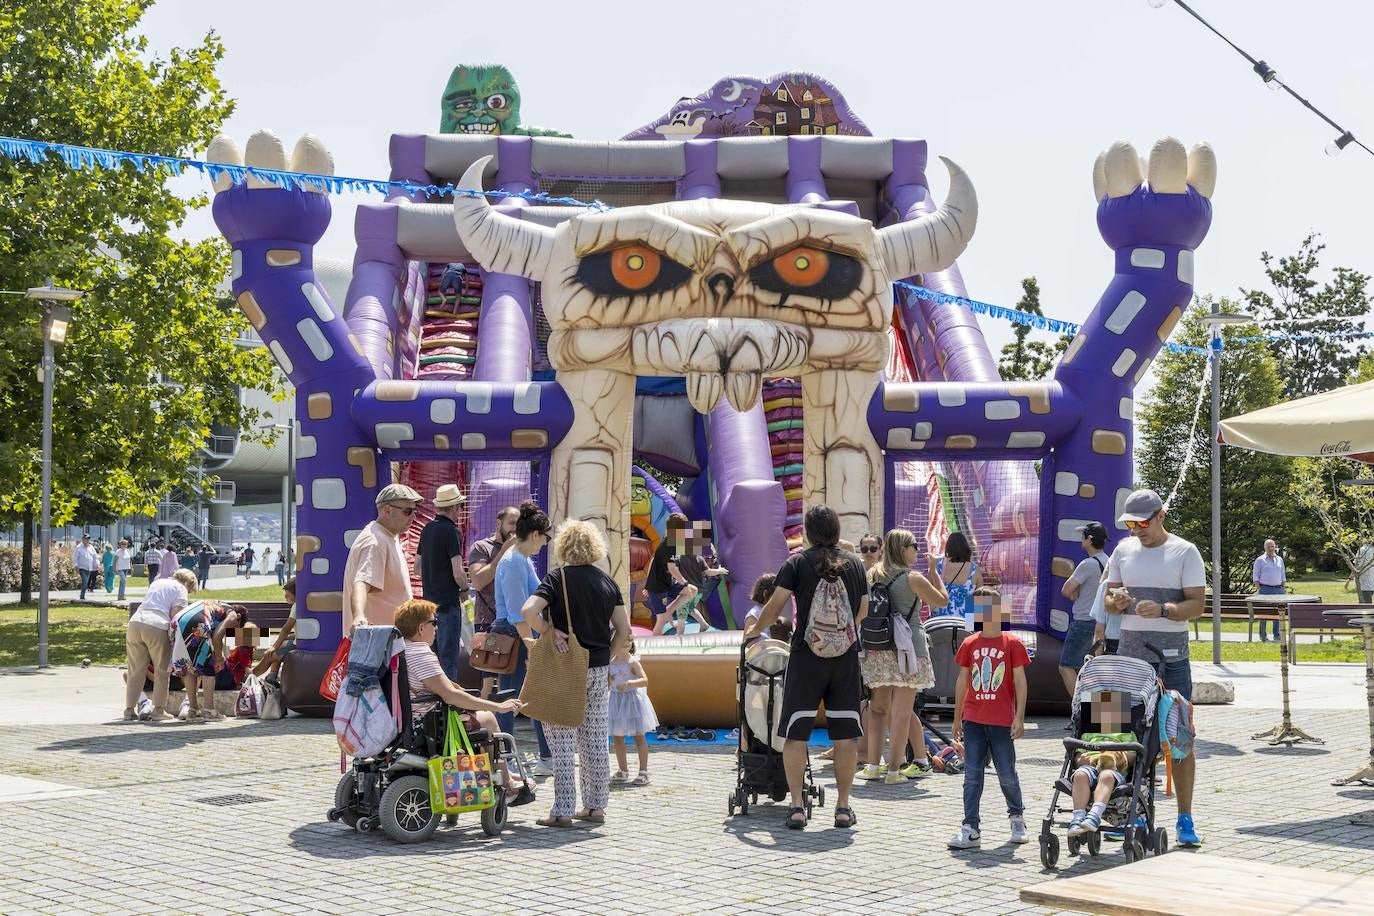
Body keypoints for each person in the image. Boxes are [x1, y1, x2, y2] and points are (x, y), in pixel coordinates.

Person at [745, 505, 867, 831]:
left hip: (805, 657)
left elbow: (774, 605)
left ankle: (797, 806)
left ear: (808, 531)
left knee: (795, 734)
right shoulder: (855, 564)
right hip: (845, 659)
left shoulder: (797, 562)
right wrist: (841, 634)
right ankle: (843, 807)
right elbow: (863, 610)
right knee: (845, 736)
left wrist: (757, 631)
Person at [1101, 488, 1206, 848]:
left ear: (1161, 515)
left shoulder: (1184, 551)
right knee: (1113, 735)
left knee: (1179, 742)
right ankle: (1120, 812)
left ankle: (1185, 819)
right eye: (1130, 523)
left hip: (1172, 661)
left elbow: (1197, 606)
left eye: (1142, 523)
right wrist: (1115, 602)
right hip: (1126, 661)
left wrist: (1164, 610)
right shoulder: (1122, 550)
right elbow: (1108, 599)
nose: (1136, 530)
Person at [519, 519, 630, 829]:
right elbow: (624, 631)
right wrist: (606, 657)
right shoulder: (608, 583)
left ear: (564, 546)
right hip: (597, 669)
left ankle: (562, 809)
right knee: (595, 739)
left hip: (565, 668)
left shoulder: (557, 580)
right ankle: (596, 807)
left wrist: (548, 631)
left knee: (562, 739)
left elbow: (528, 610)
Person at [394, 598, 528, 801]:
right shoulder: (421, 653)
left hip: (402, 722)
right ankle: (507, 783)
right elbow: (451, 696)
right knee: (489, 718)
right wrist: (498, 706)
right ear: (422, 628)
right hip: (427, 726)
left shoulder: (399, 650)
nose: (436, 628)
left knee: (481, 716)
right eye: (434, 623)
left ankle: (505, 774)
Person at [858, 528, 948, 785]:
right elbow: (942, 601)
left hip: (878, 646)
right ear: (903, 548)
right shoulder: (913, 578)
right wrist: (934, 572)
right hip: (908, 649)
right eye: (914, 546)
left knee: (877, 708)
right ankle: (895, 770)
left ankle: (874, 766)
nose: (917, 551)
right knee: (901, 712)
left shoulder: (872, 574)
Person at [948, 587, 1030, 849]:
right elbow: (962, 681)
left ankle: (1016, 816)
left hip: (1002, 721)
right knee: (972, 774)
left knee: (1007, 772)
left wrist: (1020, 716)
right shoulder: (969, 643)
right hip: (973, 719)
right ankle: (970, 827)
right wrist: (957, 716)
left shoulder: (1012, 643)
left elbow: (1020, 681)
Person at [493, 501, 554, 774]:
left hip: (520, 634)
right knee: (513, 700)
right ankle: (506, 759)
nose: (546, 543)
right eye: (545, 537)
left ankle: (542, 757)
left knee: (525, 698)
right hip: (516, 635)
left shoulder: (520, 558)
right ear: (535, 535)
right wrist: (533, 641)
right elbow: (519, 611)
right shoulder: (515, 561)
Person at [123, 567, 197, 722]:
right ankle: (158, 710)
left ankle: (129, 710)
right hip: (157, 625)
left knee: (135, 670)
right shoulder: (181, 589)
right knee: (162, 670)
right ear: (189, 583)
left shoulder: (158, 582)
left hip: (136, 623)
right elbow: (177, 615)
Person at [344, 484, 418, 631]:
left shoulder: (387, 536)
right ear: (387, 510)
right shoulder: (375, 542)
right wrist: (358, 615)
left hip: (385, 643)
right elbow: (361, 583)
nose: (413, 517)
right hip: (376, 646)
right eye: (407, 511)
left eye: (414, 511)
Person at [415, 484, 470, 682]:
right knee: (449, 662)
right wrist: (464, 589)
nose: (460, 511)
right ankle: (450, 710)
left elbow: (417, 567)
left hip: (428, 608)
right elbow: (458, 571)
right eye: (460, 507)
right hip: (448, 605)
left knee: (432, 660)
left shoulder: (427, 529)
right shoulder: (452, 531)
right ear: (454, 507)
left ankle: (433, 709)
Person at [1067, 690, 1137, 837]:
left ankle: (1094, 815)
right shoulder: (1089, 734)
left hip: (1114, 768)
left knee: (1106, 777)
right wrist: (1081, 760)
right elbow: (1078, 755)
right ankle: (1078, 817)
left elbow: (1134, 754)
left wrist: (1122, 756)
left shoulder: (1126, 733)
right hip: (1091, 765)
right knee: (1079, 775)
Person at [170, 599, 251, 722]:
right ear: (239, 618)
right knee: (209, 669)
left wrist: (219, 651)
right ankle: (209, 710)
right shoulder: (233, 615)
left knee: (189, 667)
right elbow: (218, 636)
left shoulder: (218, 606)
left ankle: (193, 709)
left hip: (177, 622)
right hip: (198, 624)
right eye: (235, 628)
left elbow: (216, 636)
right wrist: (219, 657)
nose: (233, 631)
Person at [468, 505, 519, 697]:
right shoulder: (482, 547)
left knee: (511, 680)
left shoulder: (520, 551)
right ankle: (485, 720)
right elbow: (479, 581)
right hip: (487, 623)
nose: (515, 528)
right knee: (489, 681)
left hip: (514, 624)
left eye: (518, 524)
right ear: (499, 524)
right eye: (511, 523)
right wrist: (502, 553)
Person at [1060, 522, 1108, 696]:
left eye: (1083, 536)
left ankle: (1079, 714)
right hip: (1103, 623)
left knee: (1066, 666)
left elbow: (1066, 590)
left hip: (1084, 622)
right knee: (1099, 672)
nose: (1081, 539)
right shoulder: (1109, 561)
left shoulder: (1088, 564)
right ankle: (1104, 720)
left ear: (1089, 539)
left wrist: (1076, 592)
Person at [658, 521, 728, 635]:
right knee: (690, 608)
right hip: (698, 591)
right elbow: (708, 572)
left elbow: (672, 569)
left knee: (681, 611)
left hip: (688, 590)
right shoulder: (699, 558)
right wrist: (719, 570)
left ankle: (679, 634)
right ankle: (704, 624)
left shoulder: (680, 558)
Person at [608, 639, 658, 787]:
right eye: (623, 639)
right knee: (617, 737)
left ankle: (644, 771)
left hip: (632, 702)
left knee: (639, 736)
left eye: (629, 640)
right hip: (616, 702)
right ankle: (623, 770)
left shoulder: (633, 662)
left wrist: (629, 684)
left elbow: (645, 680)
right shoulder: (610, 661)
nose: (626, 642)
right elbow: (608, 681)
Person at [645, 513, 689, 633]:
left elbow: (655, 561)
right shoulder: (669, 544)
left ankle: (669, 611)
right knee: (661, 620)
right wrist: (684, 582)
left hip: (667, 583)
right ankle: (652, 649)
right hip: (658, 588)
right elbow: (672, 569)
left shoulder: (673, 542)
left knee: (692, 591)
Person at [931, 531, 982, 626]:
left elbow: (927, 591)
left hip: (939, 624)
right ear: (966, 548)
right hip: (966, 625)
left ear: (948, 548)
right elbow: (982, 598)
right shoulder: (974, 570)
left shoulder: (936, 566)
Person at [253, 577, 297, 685]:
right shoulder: (300, 604)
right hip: (297, 639)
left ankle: (250, 676)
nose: (285, 597)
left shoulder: (297, 606)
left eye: (287, 595)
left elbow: (286, 629)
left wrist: (274, 647)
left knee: (270, 655)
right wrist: (277, 644)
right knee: (279, 645)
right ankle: (271, 677)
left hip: (298, 644)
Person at [1252, 538, 1287, 642]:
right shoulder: (1260, 560)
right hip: (1265, 589)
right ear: (1265, 548)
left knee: (1278, 613)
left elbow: (1283, 575)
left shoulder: (1279, 559)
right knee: (1264, 614)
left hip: (1278, 589)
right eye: (1269, 547)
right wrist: (1260, 588)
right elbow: (1255, 577)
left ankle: (1277, 635)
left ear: (1275, 547)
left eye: (1272, 546)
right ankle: (1263, 636)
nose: (1271, 548)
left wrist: (1283, 587)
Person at [743, 573, 779, 645]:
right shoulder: (753, 615)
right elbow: (748, 644)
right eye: (775, 595)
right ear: (765, 593)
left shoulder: (773, 612)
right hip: (761, 655)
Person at [74, 533, 98, 600]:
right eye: (85, 539)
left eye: (88, 539)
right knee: (85, 581)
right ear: (82, 539)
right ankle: (82, 596)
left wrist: (96, 564)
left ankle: (83, 594)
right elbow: (75, 557)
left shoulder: (91, 547)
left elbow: (95, 556)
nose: (87, 540)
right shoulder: (79, 547)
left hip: (89, 567)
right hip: (82, 567)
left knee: (86, 582)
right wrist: (76, 566)